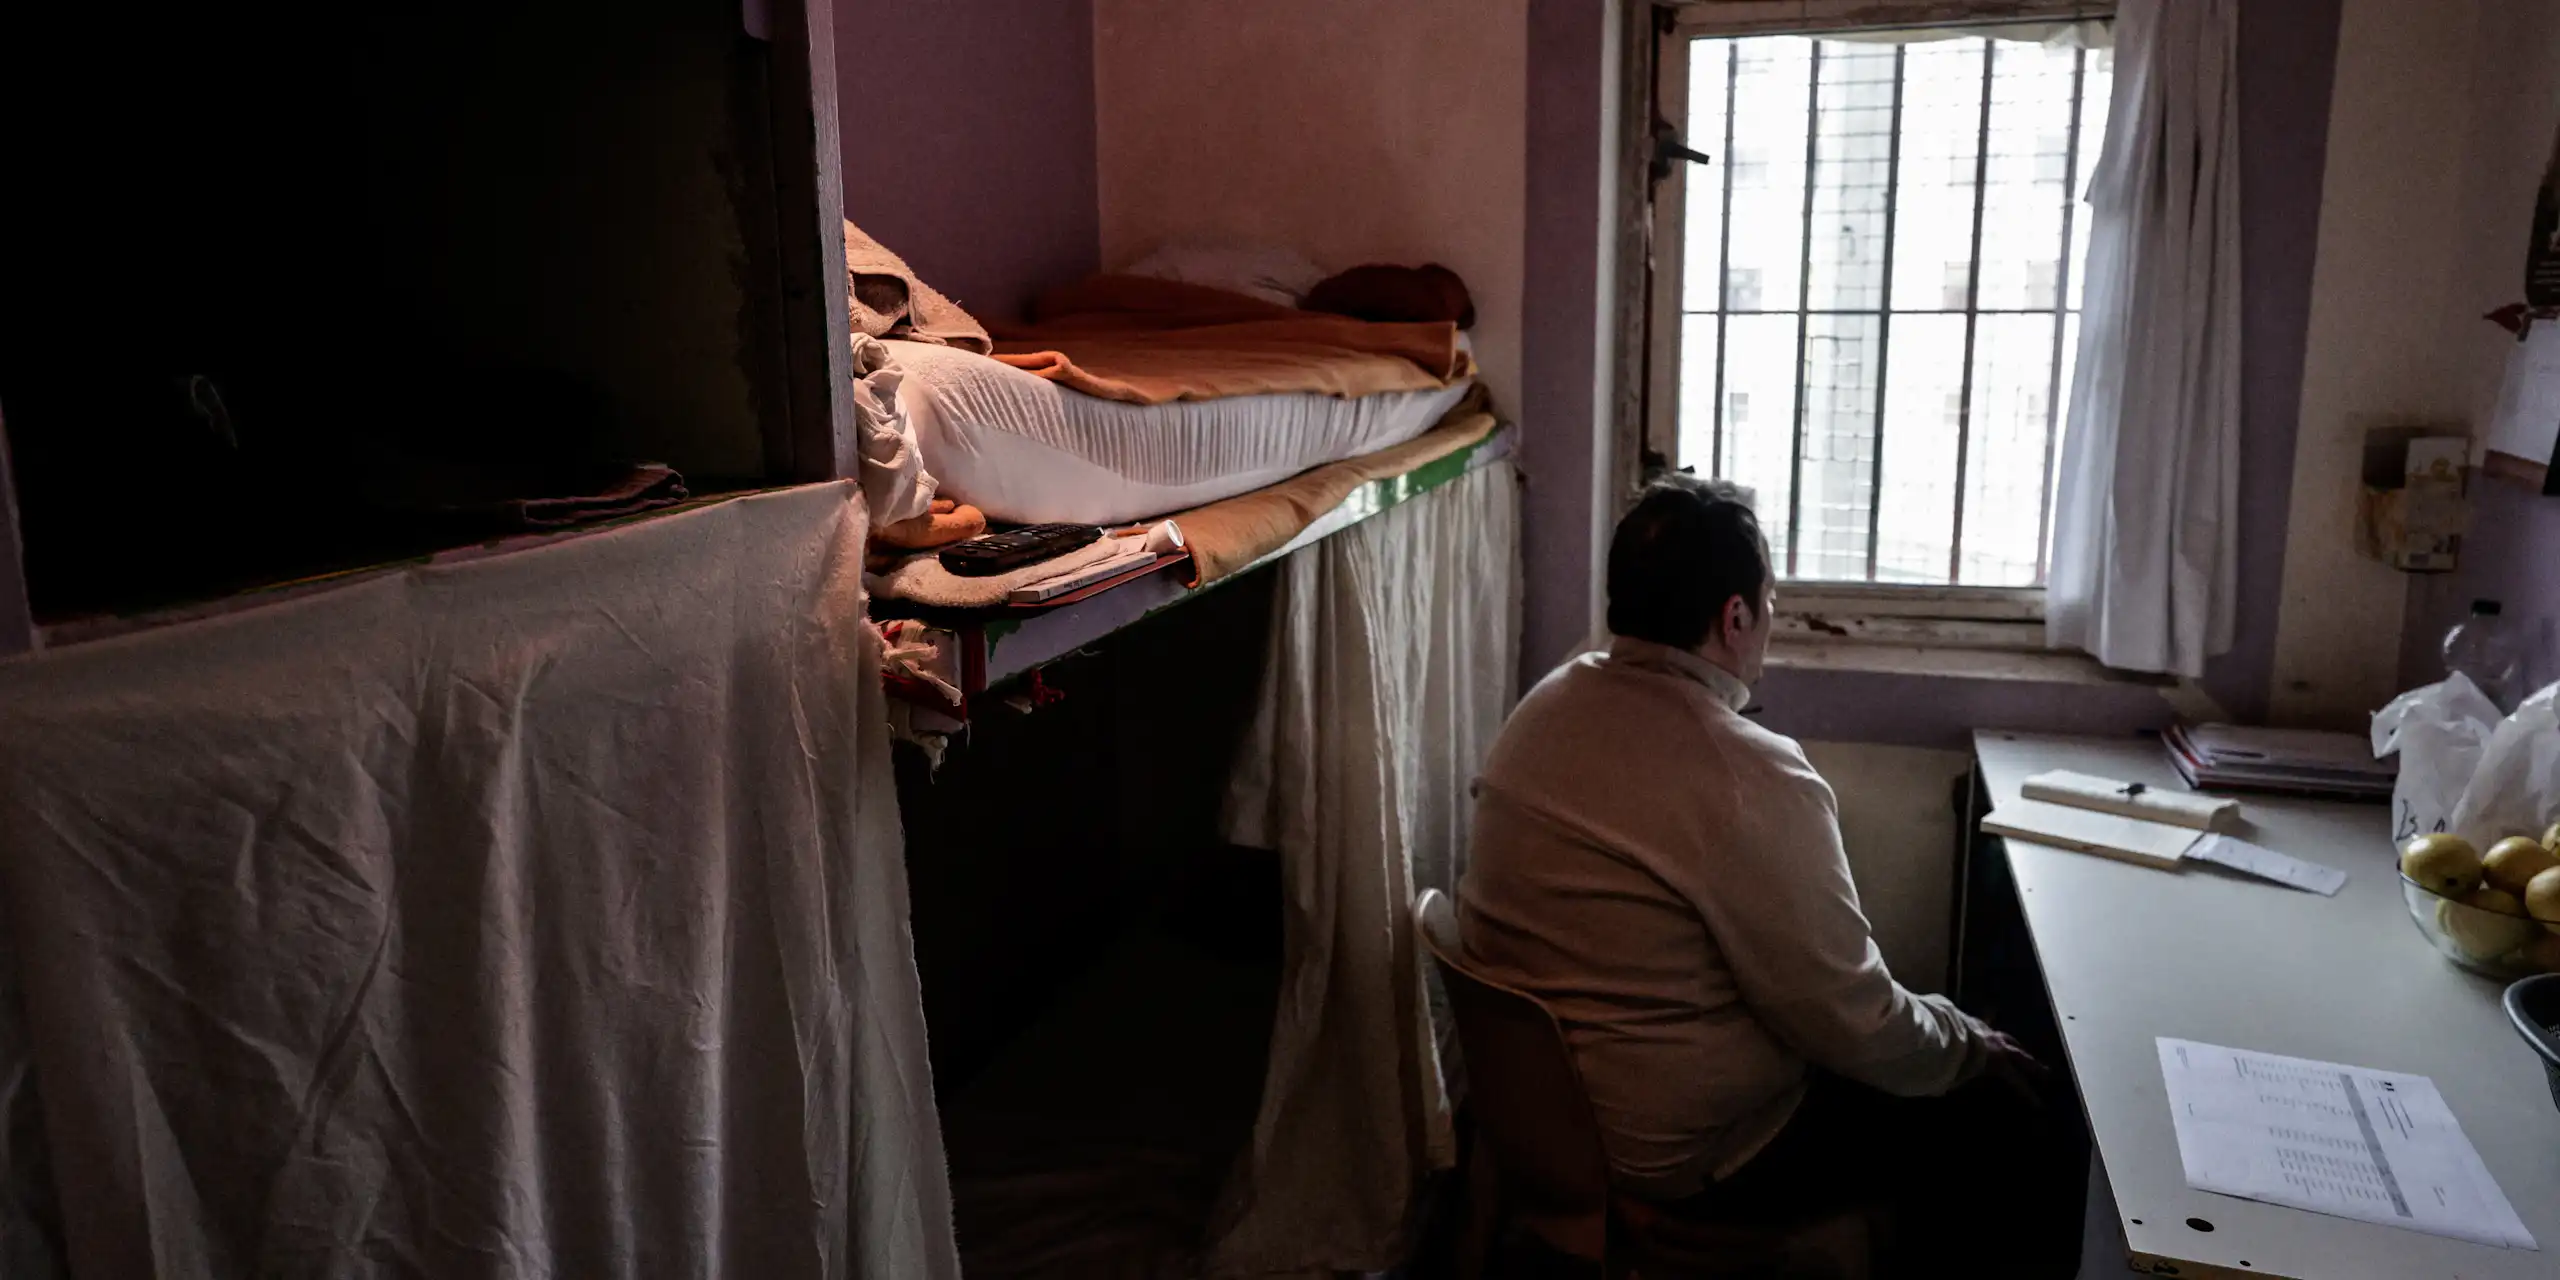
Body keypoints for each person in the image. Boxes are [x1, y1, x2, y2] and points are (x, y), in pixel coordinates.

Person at [1457, 474, 2078, 1276]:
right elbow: (1851, 1022)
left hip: (1540, 1123)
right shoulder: (1747, 771)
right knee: (1997, 1109)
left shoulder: (1543, 708)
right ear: (1736, 617)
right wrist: (1969, 1043)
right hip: (1680, 1153)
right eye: (1771, 606)